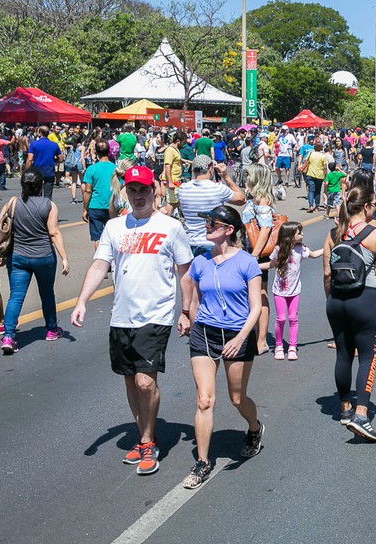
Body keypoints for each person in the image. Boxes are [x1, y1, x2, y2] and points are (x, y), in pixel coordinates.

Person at [70, 165, 193, 475]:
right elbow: (100, 265)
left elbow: (185, 271)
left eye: (144, 189)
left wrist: (187, 310)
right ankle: (143, 437)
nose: (139, 195)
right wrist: (81, 300)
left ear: (154, 190)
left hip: (156, 315)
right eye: (133, 190)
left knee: (145, 381)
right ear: (125, 192)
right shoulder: (114, 227)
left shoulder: (170, 226)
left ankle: (149, 440)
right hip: (121, 315)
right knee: (129, 380)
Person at [181, 205, 264, 489]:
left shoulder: (246, 262)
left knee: (237, 398)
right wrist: (186, 316)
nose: (206, 226)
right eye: (206, 222)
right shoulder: (200, 262)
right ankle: (203, 462)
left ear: (228, 230)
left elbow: (256, 308)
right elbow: (192, 295)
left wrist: (241, 338)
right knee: (204, 400)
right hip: (205, 333)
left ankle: (254, 428)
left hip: (237, 335)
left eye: (212, 223)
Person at [323, 187, 376, 442]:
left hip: (337, 301)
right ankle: (361, 415)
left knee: (343, 353)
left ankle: (344, 408)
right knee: (367, 355)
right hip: (363, 299)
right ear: (365, 207)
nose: (374, 208)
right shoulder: (375, 235)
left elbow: (327, 275)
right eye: (373, 205)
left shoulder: (333, 234)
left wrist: (330, 300)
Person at [0, 168, 70, 354]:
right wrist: (64, 258)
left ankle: (8, 336)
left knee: (16, 296)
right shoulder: (49, 205)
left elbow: (0, 226)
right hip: (43, 257)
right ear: (41, 185)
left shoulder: (12, 203)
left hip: (19, 257)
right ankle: (52, 330)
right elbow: (54, 233)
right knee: (47, 293)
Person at [263, 221, 324, 360]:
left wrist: (329, 247)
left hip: (295, 290)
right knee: (281, 318)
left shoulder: (300, 249)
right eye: (299, 232)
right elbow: (271, 264)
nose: (302, 234)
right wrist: (254, 265)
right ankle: (279, 346)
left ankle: (292, 347)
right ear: (290, 236)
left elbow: (314, 254)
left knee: (293, 318)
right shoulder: (279, 250)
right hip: (279, 290)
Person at [177, 155, 246, 256]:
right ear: (210, 169)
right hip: (212, 241)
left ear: (193, 171)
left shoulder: (183, 189)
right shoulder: (218, 188)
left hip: (190, 242)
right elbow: (242, 199)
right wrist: (226, 176)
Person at [242, 164, 276, 354]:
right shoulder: (255, 197)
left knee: (260, 293)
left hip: (259, 252)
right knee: (254, 293)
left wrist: (254, 254)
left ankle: (261, 340)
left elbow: (265, 228)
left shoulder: (262, 200)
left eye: (248, 176)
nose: (246, 178)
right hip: (253, 250)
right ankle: (256, 335)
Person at [82, 141, 116, 251]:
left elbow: (88, 191)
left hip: (95, 206)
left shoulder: (92, 169)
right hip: (112, 205)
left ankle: (100, 262)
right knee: (112, 235)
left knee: (97, 238)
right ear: (109, 152)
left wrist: (85, 209)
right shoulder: (116, 168)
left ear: (96, 152)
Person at [25, 126, 61, 199]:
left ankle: (38, 209)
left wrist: (26, 171)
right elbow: (61, 159)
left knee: (37, 194)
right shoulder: (54, 144)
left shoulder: (34, 144)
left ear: (40, 133)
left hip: (37, 172)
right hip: (49, 171)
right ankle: (47, 209)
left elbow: (29, 159)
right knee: (48, 195)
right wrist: (53, 161)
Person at [299, 142, 328, 213]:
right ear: (321, 148)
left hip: (310, 174)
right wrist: (326, 177)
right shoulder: (323, 156)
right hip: (319, 176)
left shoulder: (311, 153)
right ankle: (317, 207)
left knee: (311, 190)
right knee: (318, 191)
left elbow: (306, 162)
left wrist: (302, 168)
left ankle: (311, 205)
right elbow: (324, 168)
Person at [162, 131, 186, 216]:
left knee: (176, 201)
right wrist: (170, 182)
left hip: (176, 179)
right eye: (183, 142)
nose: (184, 144)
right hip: (173, 180)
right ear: (178, 141)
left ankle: (163, 213)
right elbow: (167, 165)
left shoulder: (175, 150)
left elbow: (177, 159)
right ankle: (166, 219)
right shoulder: (170, 150)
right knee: (171, 202)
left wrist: (187, 162)